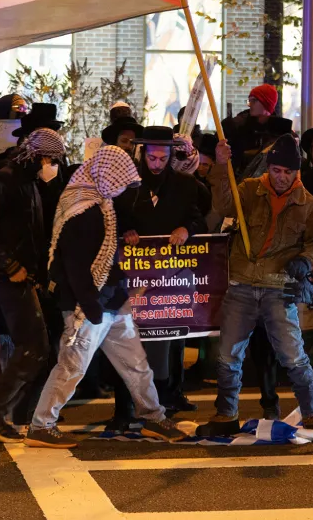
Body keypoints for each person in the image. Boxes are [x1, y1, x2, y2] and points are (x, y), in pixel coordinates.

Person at [24, 146, 186, 447]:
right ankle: (41, 425)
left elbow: (101, 255)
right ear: (106, 175)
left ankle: (152, 416)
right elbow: (75, 265)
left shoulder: (100, 204)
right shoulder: (84, 211)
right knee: (73, 366)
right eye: (121, 180)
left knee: (136, 364)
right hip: (87, 306)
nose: (124, 187)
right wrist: (90, 306)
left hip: (108, 301)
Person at [197, 134, 313, 440]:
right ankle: (226, 413)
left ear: (297, 172)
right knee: (228, 356)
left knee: (294, 357)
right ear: (268, 168)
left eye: (288, 172)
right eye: (276, 170)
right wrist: (220, 165)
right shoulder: (249, 189)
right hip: (241, 284)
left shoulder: (306, 203)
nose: (281, 177)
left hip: (278, 288)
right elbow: (222, 205)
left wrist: (306, 262)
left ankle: (312, 414)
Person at [0, 128, 67, 442]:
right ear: (39, 156)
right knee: (34, 345)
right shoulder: (5, 180)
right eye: (52, 159)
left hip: (19, 275)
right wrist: (10, 266)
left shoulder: (25, 180)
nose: (54, 166)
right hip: (4, 277)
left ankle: (1, 411)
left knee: (35, 346)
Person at [112, 126, 206, 424]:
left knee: (163, 342)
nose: (156, 164)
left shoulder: (184, 185)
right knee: (126, 341)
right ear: (142, 154)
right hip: (133, 279)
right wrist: (125, 231)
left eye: (162, 158)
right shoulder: (127, 185)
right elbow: (112, 219)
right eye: (151, 158)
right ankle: (123, 409)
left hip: (168, 279)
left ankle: (160, 405)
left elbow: (198, 217)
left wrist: (187, 229)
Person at [221, 83, 281, 178]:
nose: (250, 105)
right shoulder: (239, 124)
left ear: (266, 103)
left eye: (254, 100)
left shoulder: (279, 129)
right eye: (249, 101)